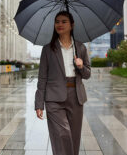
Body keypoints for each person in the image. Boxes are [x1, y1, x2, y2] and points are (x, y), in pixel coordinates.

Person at [34, 10, 91, 155]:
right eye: (57, 21)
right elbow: (42, 78)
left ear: (72, 25)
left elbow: (87, 74)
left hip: (76, 96)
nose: (60, 24)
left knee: (74, 135)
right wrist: (39, 103)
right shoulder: (48, 49)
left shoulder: (81, 48)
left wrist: (80, 66)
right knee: (62, 134)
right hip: (54, 98)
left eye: (64, 21)